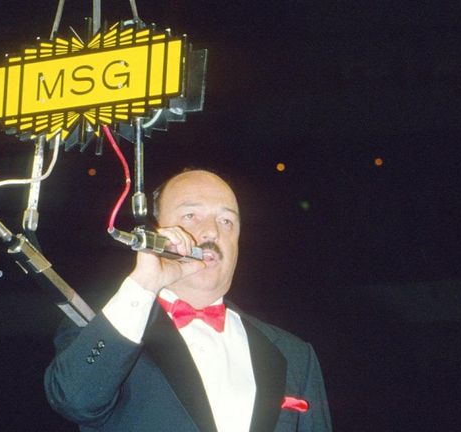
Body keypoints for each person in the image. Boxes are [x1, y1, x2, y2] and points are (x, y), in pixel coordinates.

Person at [44, 169, 332, 431]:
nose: (212, 231)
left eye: (226, 220)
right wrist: (145, 281)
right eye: (191, 216)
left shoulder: (295, 355)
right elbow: (73, 399)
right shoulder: (109, 325)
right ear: (155, 232)